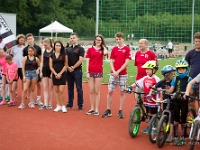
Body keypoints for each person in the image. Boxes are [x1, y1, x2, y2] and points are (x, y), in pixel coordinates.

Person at [102, 32, 131, 119]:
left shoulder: (127, 49)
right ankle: (108, 110)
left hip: (123, 74)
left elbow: (127, 62)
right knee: (110, 91)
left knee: (122, 92)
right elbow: (111, 60)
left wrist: (118, 71)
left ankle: (120, 110)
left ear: (123, 39)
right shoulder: (114, 49)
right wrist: (114, 71)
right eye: (117, 39)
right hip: (113, 73)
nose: (118, 41)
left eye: (119, 39)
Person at [166, 60, 192, 146]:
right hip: (176, 101)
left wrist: (186, 93)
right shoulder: (175, 79)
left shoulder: (189, 79)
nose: (181, 71)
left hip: (184, 102)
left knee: (183, 120)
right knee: (176, 120)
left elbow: (191, 91)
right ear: (177, 70)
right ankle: (176, 136)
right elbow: (172, 89)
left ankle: (183, 137)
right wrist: (165, 91)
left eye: (183, 69)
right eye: (179, 69)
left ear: (186, 69)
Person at [128, 60, 160, 133]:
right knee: (148, 113)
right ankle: (149, 126)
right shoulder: (145, 78)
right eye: (146, 69)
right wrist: (130, 87)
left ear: (154, 70)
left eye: (148, 69)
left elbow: (160, 88)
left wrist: (156, 91)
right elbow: (137, 83)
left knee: (153, 114)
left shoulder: (157, 79)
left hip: (154, 100)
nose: (146, 71)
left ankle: (154, 127)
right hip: (147, 100)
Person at [149, 65, 175, 142]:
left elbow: (172, 90)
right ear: (167, 74)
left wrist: (162, 90)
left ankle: (170, 135)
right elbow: (154, 87)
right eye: (172, 73)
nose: (173, 75)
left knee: (171, 119)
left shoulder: (173, 82)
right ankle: (165, 133)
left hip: (172, 101)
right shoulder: (161, 82)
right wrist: (150, 93)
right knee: (164, 116)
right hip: (164, 102)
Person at [85, 34, 108, 116]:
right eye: (97, 40)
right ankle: (91, 108)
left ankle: (96, 109)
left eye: (100, 40)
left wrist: (103, 47)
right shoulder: (90, 49)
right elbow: (87, 61)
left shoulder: (102, 50)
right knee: (91, 90)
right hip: (91, 71)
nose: (98, 41)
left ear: (101, 41)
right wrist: (87, 72)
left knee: (97, 90)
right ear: (94, 40)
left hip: (98, 71)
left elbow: (106, 54)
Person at [65, 33, 85, 111]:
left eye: (74, 38)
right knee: (70, 88)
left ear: (77, 38)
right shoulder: (68, 49)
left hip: (77, 71)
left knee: (79, 88)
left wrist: (73, 67)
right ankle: (70, 103)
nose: (72, 39)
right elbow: (65, 60)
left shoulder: (80, 49)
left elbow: (80, 60)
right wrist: (68, 67)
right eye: (71, 38)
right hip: (69, 71)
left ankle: (80, 104)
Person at [23, 33, 42, 105]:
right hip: (28, 70)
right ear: (27, 40)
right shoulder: (25, 49)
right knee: (30, 86)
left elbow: (40, 59)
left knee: (39, 84)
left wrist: (39, 69)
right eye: (28, 39)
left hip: (37, 69)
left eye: (31, 38)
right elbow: (24, 60)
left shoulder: (38, 48)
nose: (30, 40)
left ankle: (38, 99)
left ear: (33, 39)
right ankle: (31, 100)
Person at [49, 41, 68, 113]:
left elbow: (66, 65)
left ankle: (63, 106)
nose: (57, 47)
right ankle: (58, 105)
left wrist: (60, 73)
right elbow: (50, 66)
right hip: (55, 75)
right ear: (54, 46)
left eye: (59, 45)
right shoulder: (52, 55)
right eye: (56, 45)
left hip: (62, 74)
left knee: (61, 91)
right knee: (56, 91)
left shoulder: (64, 55)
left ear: (61, 47)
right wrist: (55, 74)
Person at [185, 32, 200, 112]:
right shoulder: (190, 53)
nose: (197, 43)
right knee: (190, 102)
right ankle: (195, 117)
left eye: (199, 41)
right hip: (192, 81)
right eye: (196, 41)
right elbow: (184, 66)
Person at [39, 38, 54, 110]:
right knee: (45, 88)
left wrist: (53, 72)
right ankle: (45, 103)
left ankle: (50, 103)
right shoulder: (43, 50)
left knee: (51, 88)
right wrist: (41, 71)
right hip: (44, 69)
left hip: (51, 70)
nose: (44, 46)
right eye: (43, 45)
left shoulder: (53, 51)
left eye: (46, 45)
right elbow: (42, 61)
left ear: (49, 44)